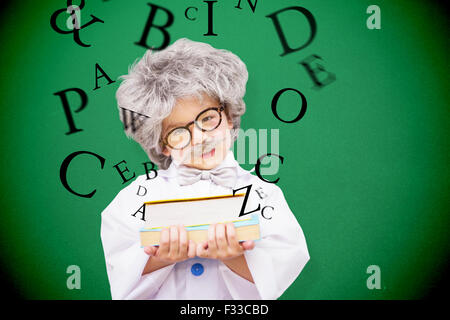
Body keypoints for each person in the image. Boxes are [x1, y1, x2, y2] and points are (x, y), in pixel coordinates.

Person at [100, 38, 310, 300]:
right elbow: (121, 269)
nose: (199, 138)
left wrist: (235, 258)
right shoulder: (133, 199)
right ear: (162, 145)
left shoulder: (265, 195)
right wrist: (158, 259)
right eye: (178, 132)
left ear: (230, 117)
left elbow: (284, 263)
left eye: (208, 118)